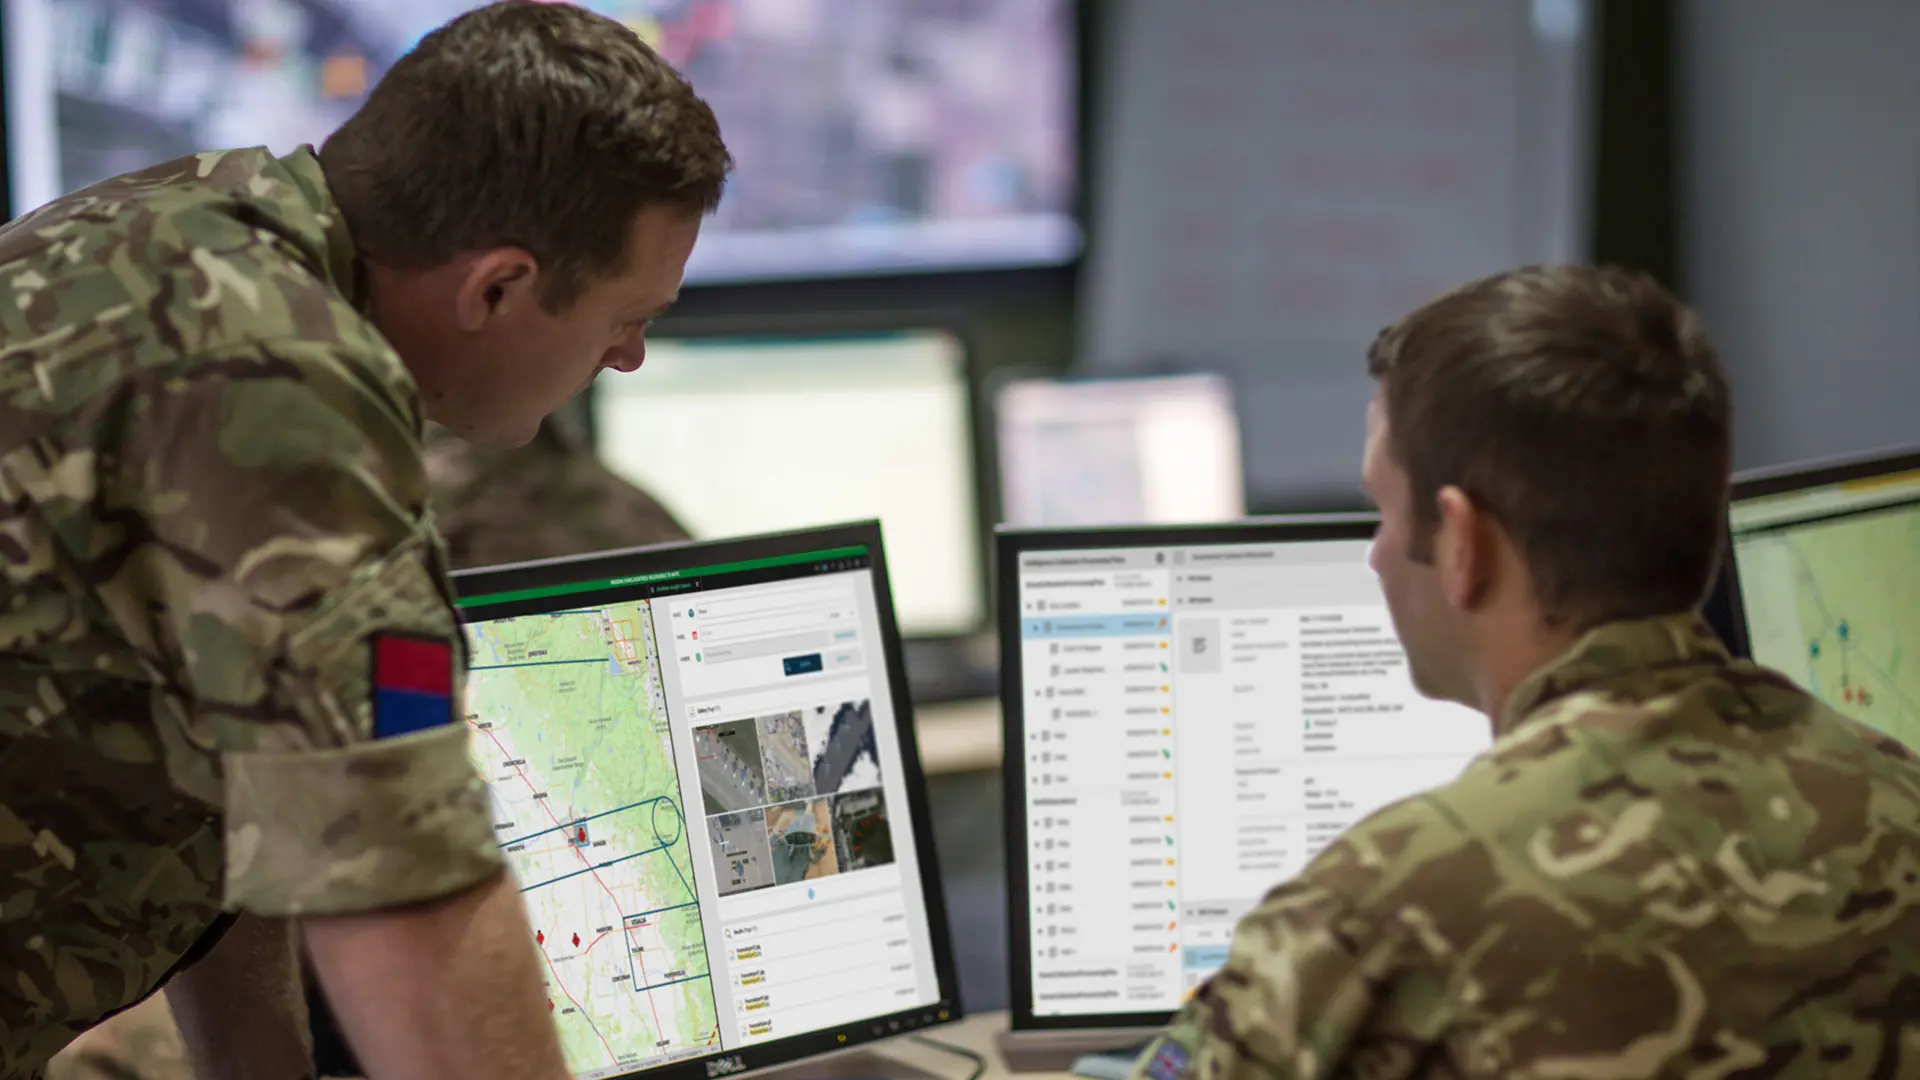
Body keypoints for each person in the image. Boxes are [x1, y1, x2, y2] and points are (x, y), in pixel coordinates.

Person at [0, 1, 731, 1076]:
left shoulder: (200, 222)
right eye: (631, 316)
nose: (625, 358)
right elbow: (401, 876)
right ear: (500, 288)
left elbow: (267, 768)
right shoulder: (281, 395)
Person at [1129, 265, 1920, 1080]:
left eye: (1385, 509)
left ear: (1464, 546)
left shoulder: (1382, 909)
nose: (1375, 552)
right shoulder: (1898, 796)